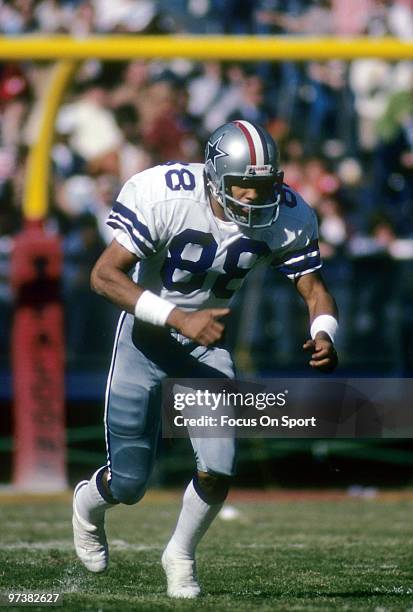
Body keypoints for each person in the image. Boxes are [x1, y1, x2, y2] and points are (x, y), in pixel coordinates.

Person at [72, 119, 339, 598]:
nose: (256, 198)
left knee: (219, 469)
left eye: (264, 186)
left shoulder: (288, 214)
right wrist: (178, 318)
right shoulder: (166, 193)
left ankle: (180, 555)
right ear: (215, 175)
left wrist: (324, 331)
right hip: (145, 339)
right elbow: (103, 276)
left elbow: (315, 289)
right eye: (244, 186)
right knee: (130, 483)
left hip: (205, 347)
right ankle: (88, 505)